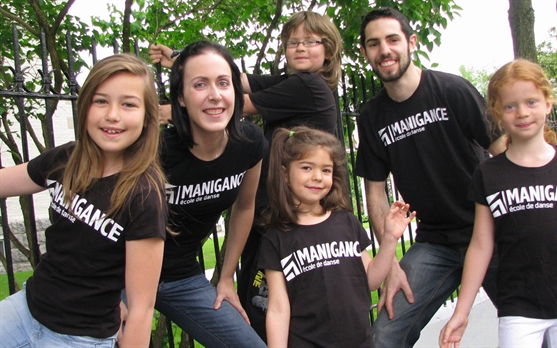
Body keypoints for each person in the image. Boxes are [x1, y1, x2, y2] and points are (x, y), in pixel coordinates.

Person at [149, 11, 342, 340]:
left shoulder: (309, 85)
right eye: (292, 42)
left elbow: (238, 101)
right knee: (264, 301)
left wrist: (165, 110)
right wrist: (181, 61)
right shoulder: (288, 82)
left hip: (292, 213)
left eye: (311, 41)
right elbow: (235, 81)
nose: (300, 48)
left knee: (270, 303)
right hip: (275, 210)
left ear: (329, 49)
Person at [439, 59, 557, 348]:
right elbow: (481, 245)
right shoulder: (489, 173)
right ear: (497, 113)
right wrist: (462, 312)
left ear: (549, 103)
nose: (522, 112)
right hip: (518, 309)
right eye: (510, 106)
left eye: (531, 101)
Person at [354, 7, 507, 347]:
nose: (385, 50)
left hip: (491, 233)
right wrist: (390, 264)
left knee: (528, 326)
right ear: (365, 53)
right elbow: (375, 193)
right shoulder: (372, 116)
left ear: (411, 42)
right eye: (374, 44)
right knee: (383, 335)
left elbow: (505, 151)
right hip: (435, 244)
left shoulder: (452, 89)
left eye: (393, 39)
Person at [0, 54, 168, 347]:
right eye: (100, 101)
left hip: (77, 338)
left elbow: (141, 308)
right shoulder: (66, 159)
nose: (112, 115)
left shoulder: (144, 195)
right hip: (23, 312)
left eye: (128, 104)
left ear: (147, 117)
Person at [144, 40, 268, 347]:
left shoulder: (250, 143)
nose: (215, 95)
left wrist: (226, 276)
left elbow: (244, 207)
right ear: (181, 99)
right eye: (200, 84)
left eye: (223, 83)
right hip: (119, 277)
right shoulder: (156, 152)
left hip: (181, 279)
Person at [257, 126, 415, 347]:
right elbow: (277, 307)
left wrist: (390, 238)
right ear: (284, 172)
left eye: (326, 170)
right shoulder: (275, 239)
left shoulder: (347, 222)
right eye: (306, 167)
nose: (317, 177)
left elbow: (371, 279)